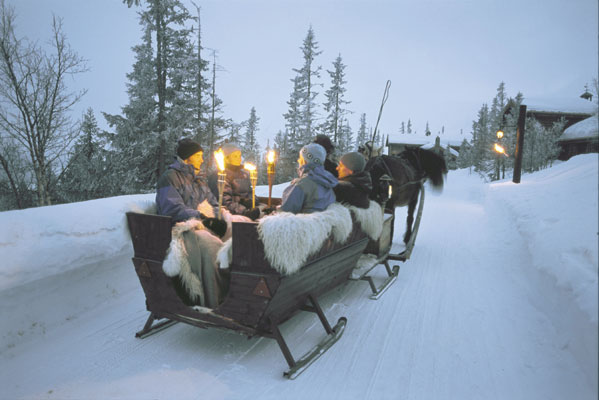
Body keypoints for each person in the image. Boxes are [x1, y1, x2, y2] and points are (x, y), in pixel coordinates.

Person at [155, 138, 228, 308]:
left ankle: (235, 289)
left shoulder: (198, 179)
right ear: (188, 157)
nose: (202, 159)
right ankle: (213, 299)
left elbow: (213, 202)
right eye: (199, 156)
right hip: (180, 229)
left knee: (234, 234)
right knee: (213, 246)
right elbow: (172, 210)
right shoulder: (169, 178)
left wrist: (218, 218)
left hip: (200, 224)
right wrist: (202, 217)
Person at [280, 143, 338, 214]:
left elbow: (286, 213)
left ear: (305, 161)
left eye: (300, 158)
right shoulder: (327, 181)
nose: (298, 161)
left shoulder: (302, 184)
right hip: (323, 223)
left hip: (304, 223)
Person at [219, 143, 261, 220]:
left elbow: (251, 193)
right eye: (235, 156)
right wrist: (245, 211)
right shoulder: (222, 175)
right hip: (234, 214)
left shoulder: (243, 174)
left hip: (248, 210)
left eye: (239, 155)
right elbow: (225, 201)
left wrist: (252, 201)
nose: (239, 159)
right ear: (226, 158)